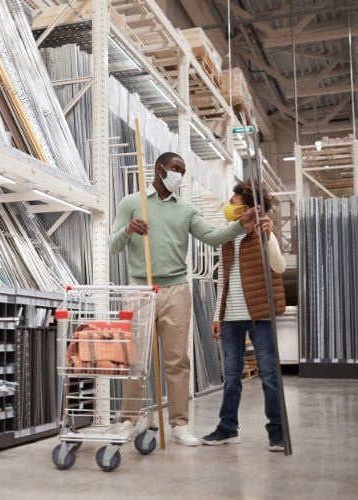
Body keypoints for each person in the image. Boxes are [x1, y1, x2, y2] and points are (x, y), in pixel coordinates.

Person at [109, 152, 258, 446]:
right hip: (140, 289)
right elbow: (113, 246)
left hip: (176, 290)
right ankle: (128, 420)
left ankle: (179, 424)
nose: (179, 175)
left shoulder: (186, 210)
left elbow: (213, 237)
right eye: (176, 169)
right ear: (159, 169)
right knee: (135, 360)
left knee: (178, 361)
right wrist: (128, 230)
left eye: (183, 171)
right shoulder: (131, 203)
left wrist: (241, 226)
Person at [200, 181, 287, 452]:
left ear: (247, 207)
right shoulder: (229, 234)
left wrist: (268, 237)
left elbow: (279, 266)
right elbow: (223, 277)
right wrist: (217, 315)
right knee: (232, 374)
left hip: (258, 315)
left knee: (270, 373)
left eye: (233, 201)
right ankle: (228, 428)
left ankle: (277, 431)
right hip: (230, 317)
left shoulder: (265, 232)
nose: (229, 205)